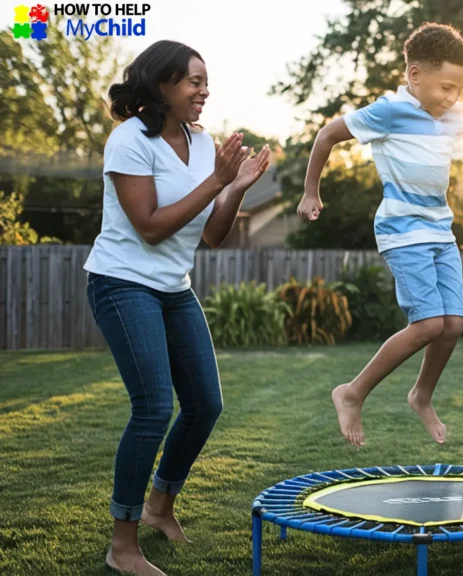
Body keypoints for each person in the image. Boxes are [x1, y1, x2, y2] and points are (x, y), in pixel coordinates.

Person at [84, 40, 270, 576]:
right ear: (162, 86)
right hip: (122, 283)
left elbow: (212, 234)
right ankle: (123, 545)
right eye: (193, 81)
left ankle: (159, 506)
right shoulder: (129, 141)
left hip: (173, 286)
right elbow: (148, 225)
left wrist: (235, 187)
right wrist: (217, 179)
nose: (203, 90)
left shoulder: (203, 141)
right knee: (152, 408)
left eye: (205, 81)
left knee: (205, 404)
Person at [297, 22, 463, 448]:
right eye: (445, 87)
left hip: (441, 229)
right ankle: (352, 392)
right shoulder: (388, 111)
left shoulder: (452, 116)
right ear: (414, 75)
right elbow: (328, 134)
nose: (451, 98)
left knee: (453, 325)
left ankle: (421, 394)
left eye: (458, 89)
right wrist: (312, 191)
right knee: (427, 325)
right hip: (403, 230)